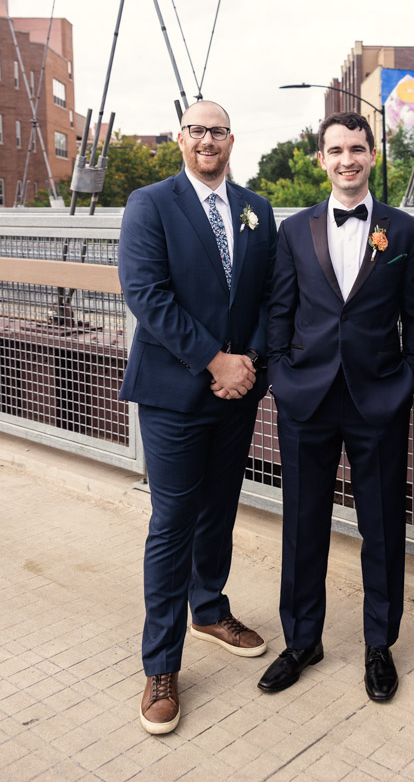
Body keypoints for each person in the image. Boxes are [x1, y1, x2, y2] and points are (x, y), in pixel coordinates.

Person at [258, 111, 414, 701]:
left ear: (373, 154)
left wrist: (410, 378)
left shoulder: (405, 232)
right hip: (305, 396)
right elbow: (279, 310)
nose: (347, 159)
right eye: (336, 150)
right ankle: (302, 639)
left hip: (379, 397)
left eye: (357, 148)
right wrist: (279, 374)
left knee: (382, 525)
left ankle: (379, 645)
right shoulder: (293, 230)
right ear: (322, 160)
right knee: (303, 523)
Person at [118, 100, 277, 735]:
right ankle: (160, 663)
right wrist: (215, 361)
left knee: (220, 508)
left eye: (217, 131)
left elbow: (270, 292)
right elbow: (146, 294)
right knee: (173, 521)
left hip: (237, 392)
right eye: (195, 130)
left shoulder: (256, 208)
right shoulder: (149, 204)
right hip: (174, 393)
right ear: (181, 139)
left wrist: (250, 363)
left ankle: (208, 609)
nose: (206, 140)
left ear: (231, 139)